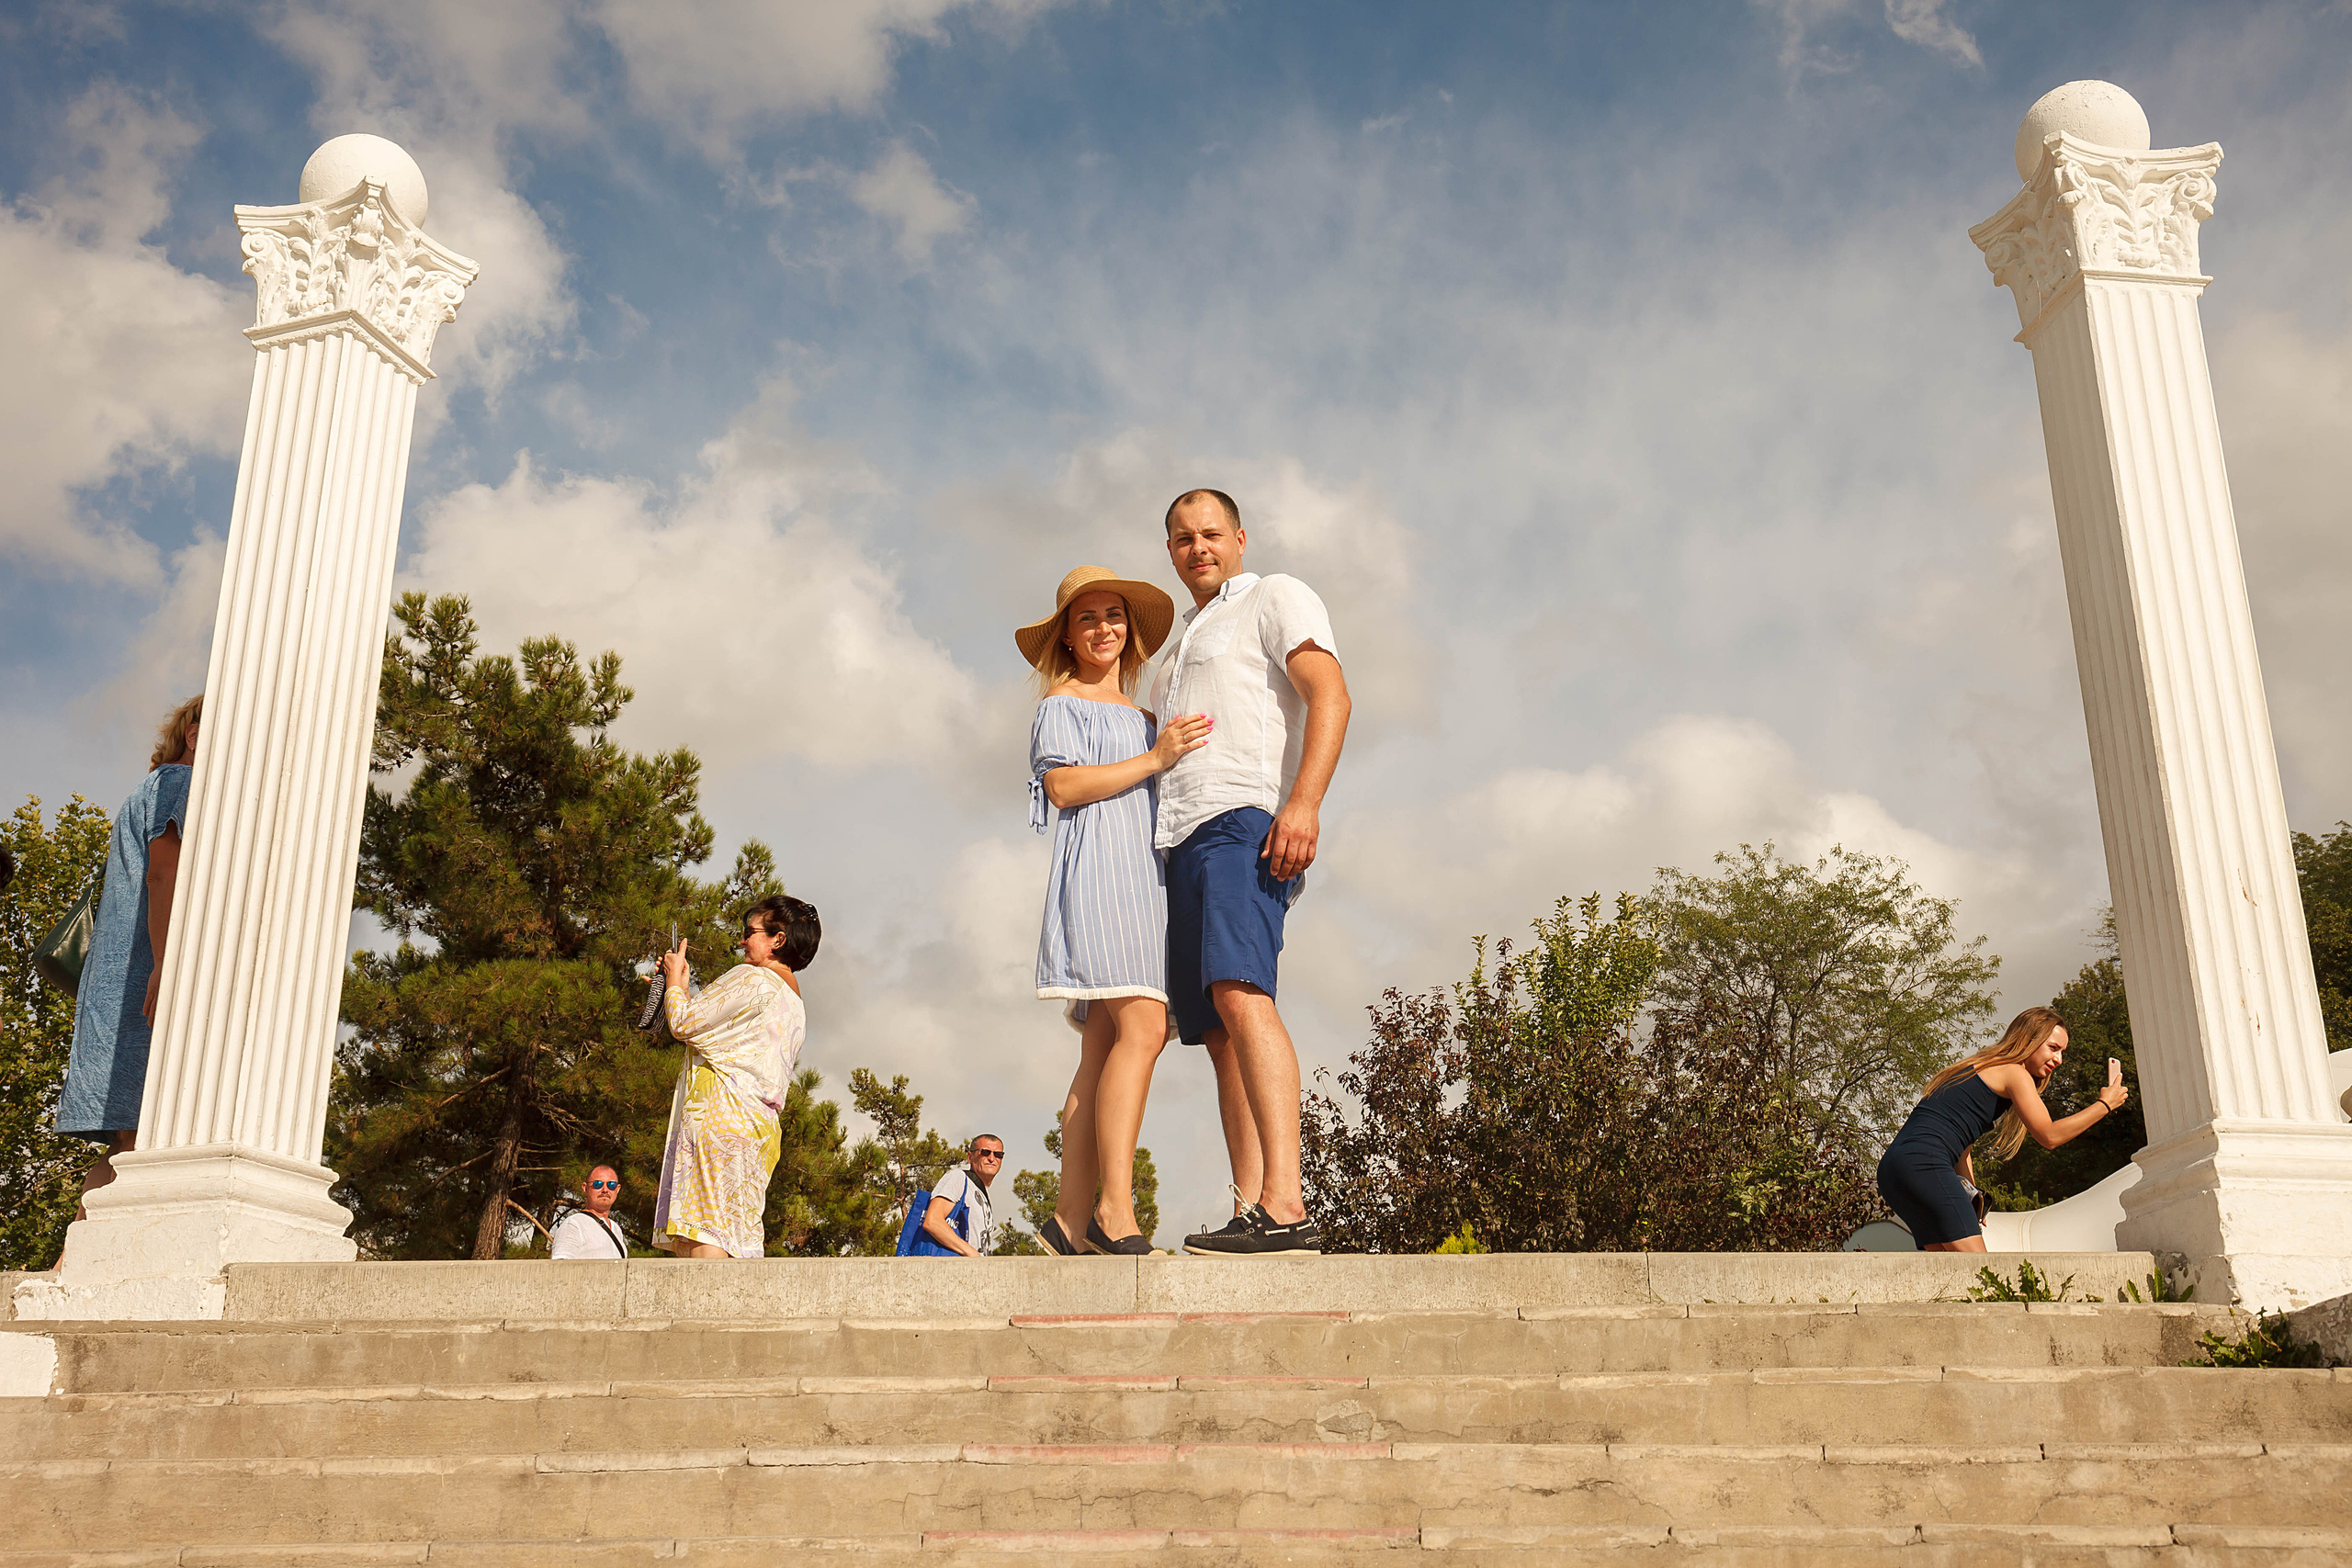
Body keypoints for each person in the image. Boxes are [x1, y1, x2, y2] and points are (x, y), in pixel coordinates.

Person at [1149, 491, 1351, 1258]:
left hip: (1244, 817)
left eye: (1209, 534)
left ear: (1238, 537)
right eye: (1181, 538)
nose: (1197, 547)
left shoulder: (1273, 594)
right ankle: (1254, 1206)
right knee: (1217, 1029)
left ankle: (1287, 1202)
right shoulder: (1176, 652)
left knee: (1242, 990)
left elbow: (1330, 694)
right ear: (1169, 551)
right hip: (1182, 836)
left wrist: (1302, 803)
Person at [1020, 565, 1208, 1256]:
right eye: (1088, 617)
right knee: (1145, 1024)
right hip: (1102, 874)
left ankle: (1068, 1221)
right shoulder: (1061, 705)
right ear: (1066, 637)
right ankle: (1115, 1212)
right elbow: (1064, 786)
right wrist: (1155, 758)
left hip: (1146, 878)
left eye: (1114, 616)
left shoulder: (1146, 715)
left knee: (1103, 1046)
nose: (1104, 628)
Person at [58, 694, 201, 1214]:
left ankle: (66, 1266)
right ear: (193, 735)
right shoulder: (179, 784)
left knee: (131, 1139)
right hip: (142, 976)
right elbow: (163, 874)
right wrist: (165, 963)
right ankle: (71, 1268)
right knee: (146, 1133)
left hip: (118, 981)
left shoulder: (151, 786)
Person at [1877, 1006, 2130, 1252]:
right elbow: (2049, 1136)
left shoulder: (1981, 1067)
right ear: (2029, 1039)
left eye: (2062, 1051)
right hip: (1925, 1165)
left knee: (1949, 1273)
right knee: (1981, 1275)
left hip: (1894, 1170)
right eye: (2053, 1048)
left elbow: (1962, 1147)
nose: (2059, 1059)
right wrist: (2104, 1104)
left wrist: (1972, 1196)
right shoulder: (2013, 1072)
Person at [651, 894, 820, 1258]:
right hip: (759, 1128)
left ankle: (700, 1315)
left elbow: (684, 1022)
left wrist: (675, 980)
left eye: (750, 932)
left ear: (779, 939)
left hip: (720, 1114)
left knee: (704, 1231)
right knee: (736, 1233)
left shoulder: (754, 979)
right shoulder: (794, 1002)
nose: (742, 940)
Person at [921, 1135, 1005, 1257]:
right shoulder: (959, 1178)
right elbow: (932, 1221)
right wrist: (972, 1254)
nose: (992, 1158)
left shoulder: (981, 1192)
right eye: (985, 1153)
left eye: (998, 1155)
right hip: (955, 1269)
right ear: (970, 1157)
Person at [548, 1166, 629, 1258]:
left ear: (617, 1189)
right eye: (597, 1184)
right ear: (585, 1188)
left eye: (611, 1185)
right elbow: (561, 1266)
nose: (605, 1190)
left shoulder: (616, 1229)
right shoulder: (574, 1224)